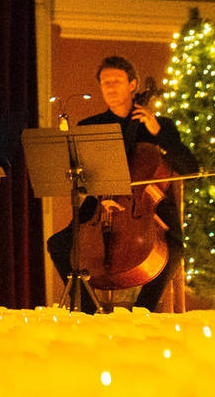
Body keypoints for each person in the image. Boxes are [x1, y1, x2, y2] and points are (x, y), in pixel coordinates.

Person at [47, 56, 199, 313]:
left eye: (116, 81)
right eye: (105, 83)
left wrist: (157, 131)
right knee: (59, 244)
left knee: (172, 248)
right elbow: (79, 176)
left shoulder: (160, 125)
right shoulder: (91, 126)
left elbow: (189, 168)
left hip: (147, 208)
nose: (110, 87)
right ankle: (87, 308)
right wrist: (96, 192)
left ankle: (142, 311)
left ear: (132, 84)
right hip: (98, 204)